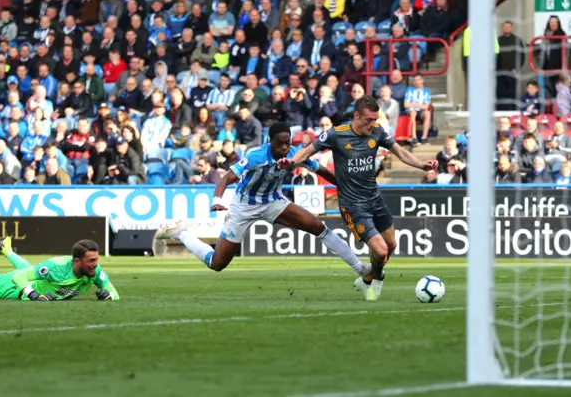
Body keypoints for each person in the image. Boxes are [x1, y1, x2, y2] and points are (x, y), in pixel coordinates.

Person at [155, 122, 372, 282]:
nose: (285, 148)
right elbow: (226, 178)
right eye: (281, 144)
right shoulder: (256, 156)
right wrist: (218, 200)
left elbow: (322, 170)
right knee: (217, 264)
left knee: (318, 226)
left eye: (288, 143)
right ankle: (181, 232)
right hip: (244, 206)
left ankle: (362, 269)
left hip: (273, 202)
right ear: (271, 142)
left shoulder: (296, 154)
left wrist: (345, 186)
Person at [279, 96, 438, 300]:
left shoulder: (378, 132)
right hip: (353, 206)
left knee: (391, 246)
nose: (373, 124)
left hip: (375, 198)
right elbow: (307, 151)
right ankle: (376, 278)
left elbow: (400, 152)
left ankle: (367, 278)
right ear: (356, 116)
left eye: (375, 119)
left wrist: (421, 165)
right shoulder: (336, 134)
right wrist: (291, 163)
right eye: (369, 120)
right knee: (380, 252)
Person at [0, 202, 118, 301]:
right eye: (91, 261)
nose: (95, 265)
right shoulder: (55, 267)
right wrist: (33, 295)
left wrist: (109, 295)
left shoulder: (95, 272)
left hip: (28, 281)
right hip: (13, 288)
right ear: (77, 261)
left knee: (34, 270)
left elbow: (114, 292)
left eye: (96, 260)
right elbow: (19, 276)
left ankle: (8, 251)